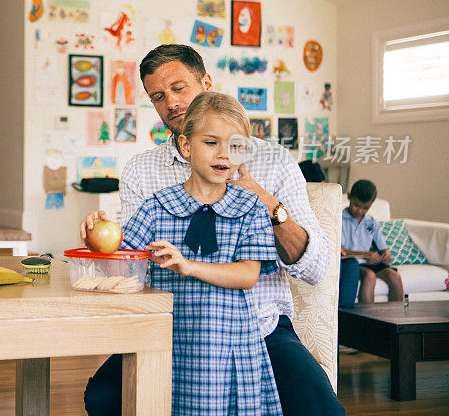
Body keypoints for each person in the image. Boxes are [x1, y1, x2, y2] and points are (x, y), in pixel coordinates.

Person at [80, 44, 344, 415]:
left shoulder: (272, 161)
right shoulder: (142, 171)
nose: (170, 102)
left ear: (206, 82)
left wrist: (265, 203)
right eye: (158, 96)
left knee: (322, 411)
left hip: (258, 326)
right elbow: (131, 265)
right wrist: (100, 240)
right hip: (173, 326)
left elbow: (317, 269)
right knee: (103, 397)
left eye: (179, 87)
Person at [120, 92, 282, 414]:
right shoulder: (157, 207)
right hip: (170, 345)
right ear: (185, 146)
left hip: (230, 348)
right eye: (211, 143)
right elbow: (123, 260)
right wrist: (97, 233)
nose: (224, 154)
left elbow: (248, 275)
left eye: (234, 146)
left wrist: (189, 266)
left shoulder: (250, 207)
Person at [340, 179, 403, 304]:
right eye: (356, 205)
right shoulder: (340, 219)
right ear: (349, 197)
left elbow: (383, 248)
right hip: (352, 263)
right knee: (370, 276)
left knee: (395, 277)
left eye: (365, 208)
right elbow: (341, 251)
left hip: (371, 262)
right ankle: (368, 321)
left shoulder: (371, 222)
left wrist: (386, 255)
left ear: (372, 204)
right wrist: (366, 254)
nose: (359, 211)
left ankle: (398, 321)